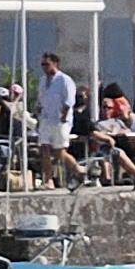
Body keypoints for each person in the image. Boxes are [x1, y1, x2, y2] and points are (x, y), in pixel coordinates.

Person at [34, 52, 79, 184]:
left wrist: (63, 117)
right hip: (46, 119)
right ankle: (48, 180)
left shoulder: (65, 80)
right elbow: (41, 100)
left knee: (59, 151)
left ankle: (78, 169)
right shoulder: (43, 81)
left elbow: (69, 101)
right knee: (44, 149)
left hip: (59, 120)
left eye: (47, 64)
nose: (44, 67)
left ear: (55, 63)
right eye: (42, 65)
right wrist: (38, 115)